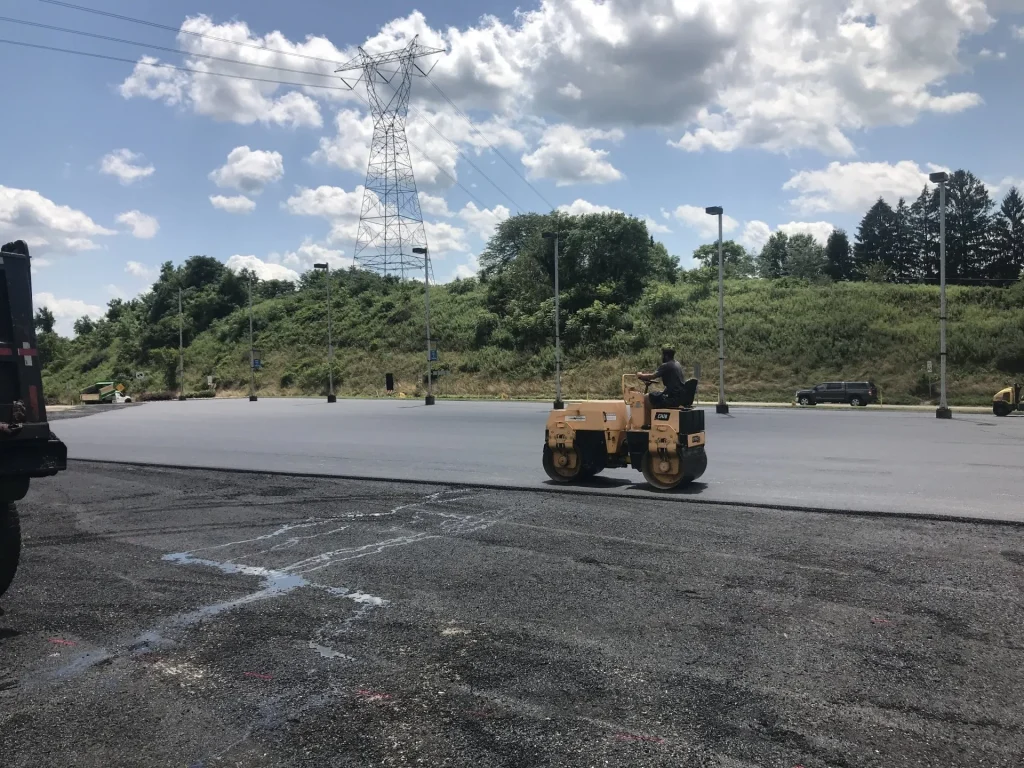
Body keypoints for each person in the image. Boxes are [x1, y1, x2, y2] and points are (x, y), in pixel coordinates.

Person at [637, 347, 686, 428]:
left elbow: (652, 376)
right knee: (656, 395)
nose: (662, 357)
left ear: (666, 356)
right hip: (678, 396)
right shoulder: (677, 364)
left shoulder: (666, 365)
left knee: (646, 398)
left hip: (672, 398)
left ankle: (648, 424)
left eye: (662, 355)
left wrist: (640, 375)